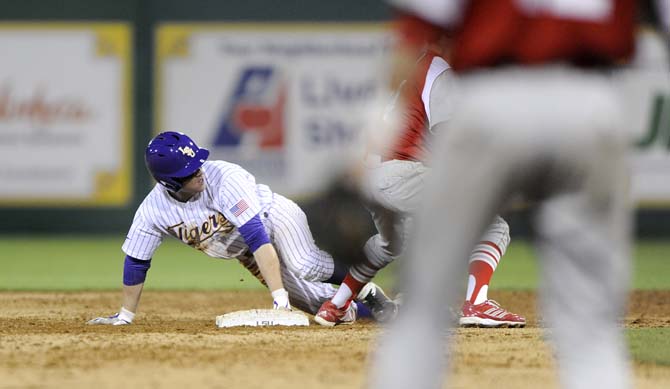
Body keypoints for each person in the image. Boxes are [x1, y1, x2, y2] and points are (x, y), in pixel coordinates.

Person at [369, 0, 666, 388]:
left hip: (490, 100)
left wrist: (362, 147)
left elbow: (412, 37)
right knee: (591, 329)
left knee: (422, 307)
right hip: (589, 104)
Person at [88, 131, 392, 325]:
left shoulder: (223, 178)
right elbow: (136, 262)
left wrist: (279, 300)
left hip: (273, 216)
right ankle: (381, 310)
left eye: (197, 164)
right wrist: (126, 316)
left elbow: (257, 237)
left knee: (305, 263)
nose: (199, 173)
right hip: (247, 252)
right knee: (316, 304)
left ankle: (366, 287)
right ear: (168, 182)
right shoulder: (153, 211)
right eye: (189, 172)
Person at [314, 47, 525, 328]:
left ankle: (335, 305)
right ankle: (478, 303)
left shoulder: (414, 68)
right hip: (401, 173)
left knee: (391, 244)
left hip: (371, 175)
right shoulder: (440, 70)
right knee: (493, 224)